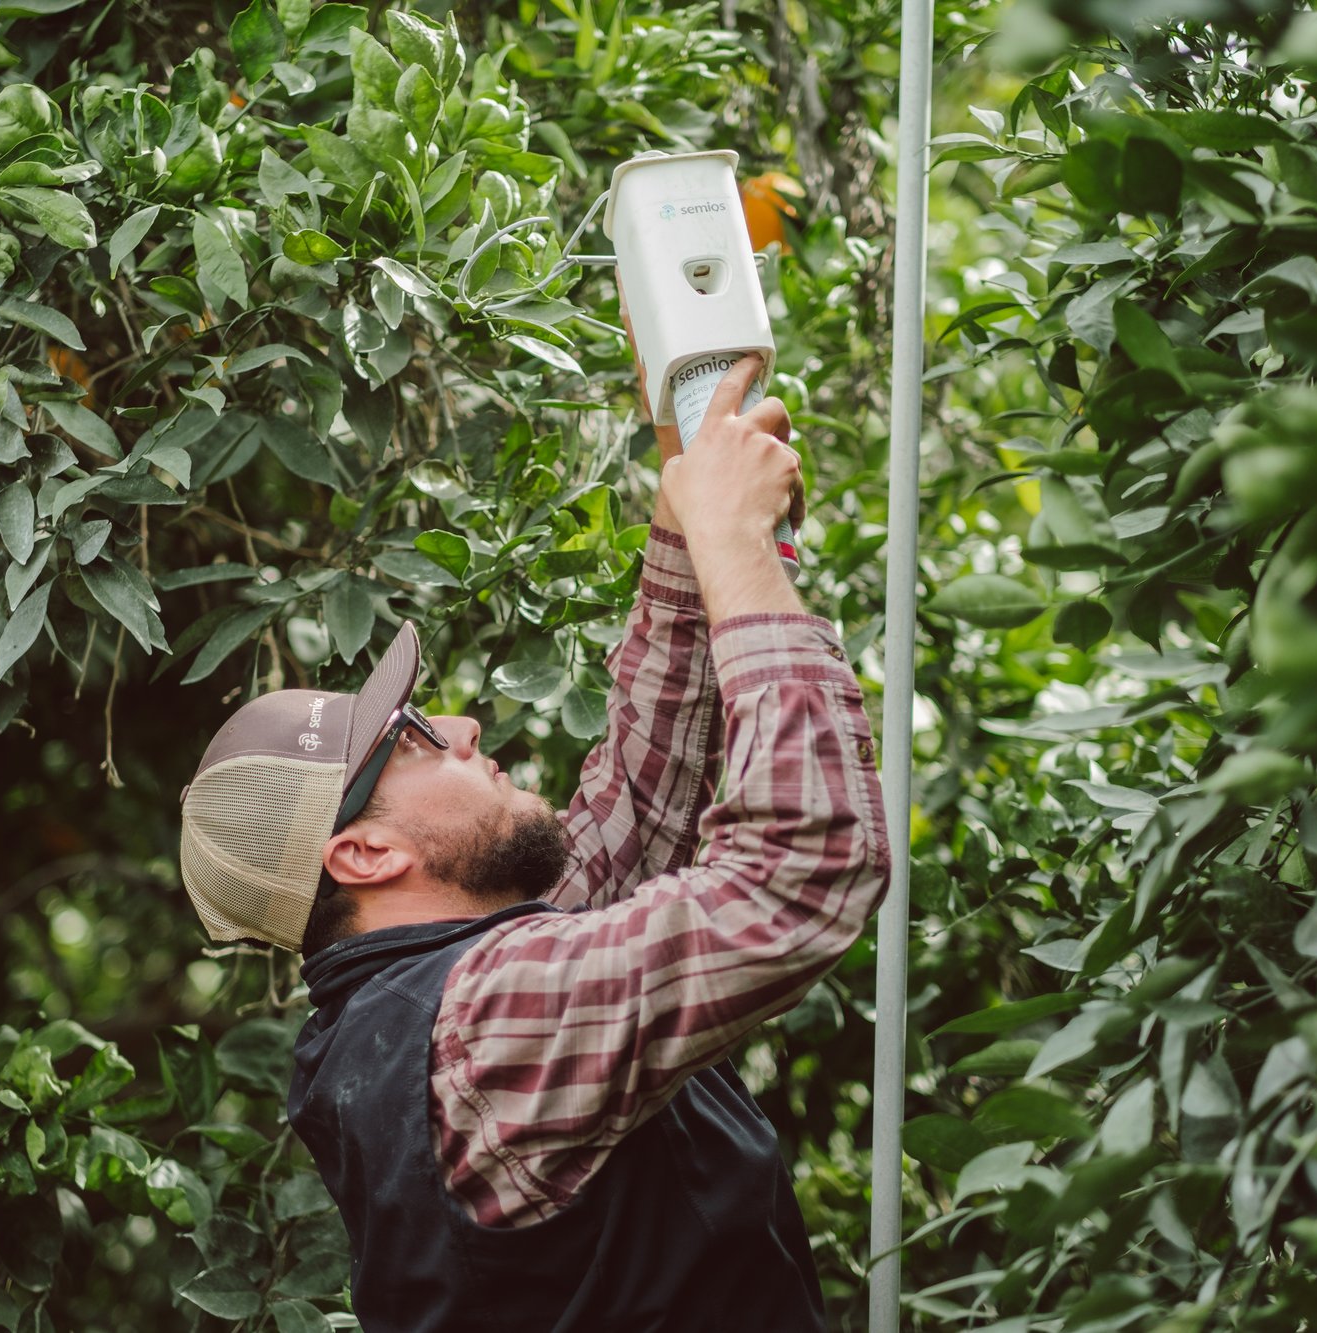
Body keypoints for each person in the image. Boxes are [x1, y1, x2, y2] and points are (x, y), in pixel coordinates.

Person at [178, 354, 891, 1331]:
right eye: (416, 739)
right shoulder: (475, 1030)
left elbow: (642, 795)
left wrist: (688, 485)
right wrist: (735, 543)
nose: (463, 728)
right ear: (364, 856)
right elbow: (797, 870)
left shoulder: (430, 993)